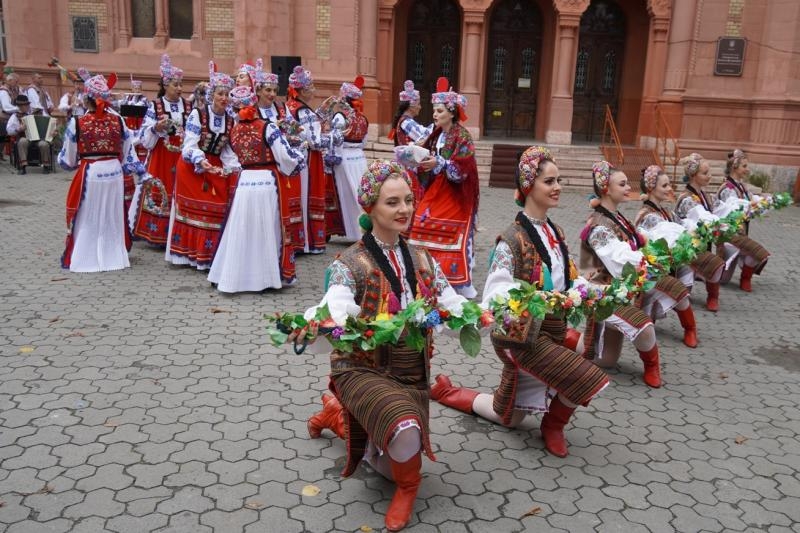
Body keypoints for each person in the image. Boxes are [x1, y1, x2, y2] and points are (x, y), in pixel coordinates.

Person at [302, 160, 475, 531]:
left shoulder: (422, 257)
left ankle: (338, 419)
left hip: (411, 370)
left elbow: (448, 300)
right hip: (361, 369)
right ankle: (408, 488)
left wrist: (476, 316)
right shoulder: (350, 263)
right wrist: (329, 322)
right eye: (392, 203)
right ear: (370, 207)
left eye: (409, 201)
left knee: (400, 443)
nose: (405, 210)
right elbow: (335, 304)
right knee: (404, 429)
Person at [430, 146, 609, 458]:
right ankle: (552, 425)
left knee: (507, 416)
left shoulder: (555, 231)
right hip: (521, 337)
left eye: (559, 180)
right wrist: (536, 296)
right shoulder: (511, 240)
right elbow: (497, 296)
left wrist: (587, 289)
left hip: (549, 332)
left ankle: (446, 391)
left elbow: (567, 276)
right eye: (549, 181)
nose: (558, 187)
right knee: (586, 375)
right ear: (529, 186)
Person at [208, 85, 305, 292]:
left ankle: (237, 275)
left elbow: (232, 159)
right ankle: (266, 278)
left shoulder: (233, 129)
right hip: (267, 182)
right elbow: (285, 156)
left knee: (243, 228)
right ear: (253, 103)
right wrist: (298, 156)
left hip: (244, 182)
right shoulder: (267, 127)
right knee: (266, 228)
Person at [579, 161, 663, 388]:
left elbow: (640, 243)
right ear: (606, 188)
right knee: (644, 328)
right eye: (623, 184)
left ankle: (568, 341)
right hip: (603, 293)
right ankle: (652, 365)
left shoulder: (618, 217)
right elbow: (619, 262)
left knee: (606, 360)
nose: (629, 188)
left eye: (628, 184)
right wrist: (650, 261)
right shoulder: (598, 225)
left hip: (622, 290)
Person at [58, 68, 145, 272]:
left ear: (86, 98)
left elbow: (69, 158)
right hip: (114, 172)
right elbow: (128, 150)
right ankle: (114, 256)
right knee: (111, 214)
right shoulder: (118, 120)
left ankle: (86, 257)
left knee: (90, 214)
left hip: (92, 172)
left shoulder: (77, 123)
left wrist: (70, 162)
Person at [408, 77, 479, 298]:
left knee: (447, 231)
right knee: (420, 225)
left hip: (455, 193)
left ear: (451, 112)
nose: (435, 115)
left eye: (439, 111)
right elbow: (432, 159)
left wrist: (438, 163)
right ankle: (427, 276)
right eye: (435, 111)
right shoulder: (436, 135)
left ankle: (455, 282)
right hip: (436, 188)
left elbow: (462, 171)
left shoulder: (463, 137)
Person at [164, 61, 240, 269]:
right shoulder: (198, 114)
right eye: (220, 94)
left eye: (227, 94)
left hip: (215, 165)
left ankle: (209, 254)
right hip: (192, 166)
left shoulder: (231, 120)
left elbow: (227, 149)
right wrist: (201, 160)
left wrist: (234, 168)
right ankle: (189, 254)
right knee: (200, 209)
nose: (224, 98)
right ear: (212, 95)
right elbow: (189, 144)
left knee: (219, 206)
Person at [634, 165, 719, 348]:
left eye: (669, 185)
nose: (669, 189)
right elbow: (669, 237)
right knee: (662, 302)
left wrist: (700, 231)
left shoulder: (667, 212)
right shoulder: (648, 216)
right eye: (664, 186)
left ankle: (690, 329)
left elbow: (682, 230)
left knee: (679, 296)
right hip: (652, 270)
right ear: (651, 188)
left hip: (670, 265)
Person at [130, 54, 191, 247]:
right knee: (160, 187)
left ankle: (179, 231)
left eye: (181, 84)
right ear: (165, 85)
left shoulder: (188, 106)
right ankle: (156, 233)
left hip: (182, 153)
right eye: (176, 85)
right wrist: (156, 128)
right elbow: (143, 135)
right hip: (162, 154)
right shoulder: (155, 106)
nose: (180, 88)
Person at [286, 65, 341, 253]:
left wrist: (323, 111)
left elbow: (303, 130)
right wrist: (336, 136)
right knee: (306, 197)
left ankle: (297, 240)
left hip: (293, 158)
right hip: (308, 160)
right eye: (312, 87)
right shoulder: (305, 112)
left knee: (296, 198)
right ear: (303, 90)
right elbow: (315, 141)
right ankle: (308, 241)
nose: (315, 90)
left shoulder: (289, 106)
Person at [253, 60, 305, 257]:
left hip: (283, 162)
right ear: (258, 90)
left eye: (275, 90)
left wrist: (292, 131)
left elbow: (296, 129)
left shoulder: (282, 109)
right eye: (268, 90)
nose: (272, 94)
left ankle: (287, 243)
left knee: (286, 204)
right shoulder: (251, 111)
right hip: (263, 164)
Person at [716, 149, 771, 291]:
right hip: (728, 236)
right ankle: (700, 272)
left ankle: (745, 278)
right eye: (744, 166)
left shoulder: (742, 187)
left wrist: (764, 203)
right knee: (723, 279)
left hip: (741, 235)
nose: (747, 169)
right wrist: (751, 207)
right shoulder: (727, 189)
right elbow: (733, 213)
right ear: (735, 167)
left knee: (756, 252)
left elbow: (752, 203)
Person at [328, 76, 369, 241]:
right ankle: (365, 228)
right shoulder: (362, 118)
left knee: (348, 194)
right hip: (359, 157)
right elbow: (364, 140)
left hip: (345, 157)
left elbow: (335, 138)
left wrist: (333, 157)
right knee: (361, 192)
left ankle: (355, 230)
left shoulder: (340, 117)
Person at [6, 94, 52, 174]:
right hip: (26, 137)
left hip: (39, 138)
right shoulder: (15, 116)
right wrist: (19, 129)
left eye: (26, 105)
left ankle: (46, 166)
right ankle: (23, 167)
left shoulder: (38, 112)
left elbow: (49, 120)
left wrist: (52, 126)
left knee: (44, 144)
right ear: (19, 106)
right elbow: (9, 130)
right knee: (22, 142)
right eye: (22, 105)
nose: (24, 107)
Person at [389, 80, 431, 147]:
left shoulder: (405, 120)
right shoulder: (406, 122)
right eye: (418, 104)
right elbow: (425, 134)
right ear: (411, 107)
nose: (420, 107)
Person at [0, 72, 22, 161]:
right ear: (9, 80)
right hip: (2, 117)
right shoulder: (3, 91)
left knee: (5, 138)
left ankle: (0, 153)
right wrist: (19, 108)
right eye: (15, 82)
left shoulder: (13, 90)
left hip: (9, 118)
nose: (17, 84)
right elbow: (6, 106)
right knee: (2, 136)